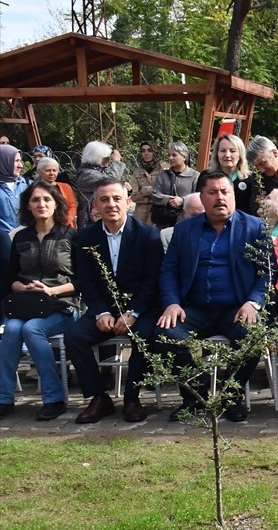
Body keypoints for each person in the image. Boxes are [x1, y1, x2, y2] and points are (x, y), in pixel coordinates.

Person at [157, 171, 271, 422]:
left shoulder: (255, 227)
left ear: (232, 195)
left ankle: (231, 396)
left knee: (252, 336)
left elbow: (268, 274)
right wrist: (172, 303)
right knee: (167, 334)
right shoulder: (185, 229)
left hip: (237, 308)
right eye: (213, 192)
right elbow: (169, 271)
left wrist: (254, 302)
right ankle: (195, 398)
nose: (220, 197)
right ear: (201, 197)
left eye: (225, 192)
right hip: (195, 309)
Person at [64, 179, 162, 423]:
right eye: (104, 199)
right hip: (104, 310)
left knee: (147, 335)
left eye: (117, 198)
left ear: (127, 202)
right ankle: (99, 398)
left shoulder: (148, 235)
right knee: (75, 337)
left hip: (139, 309)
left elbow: (153, 280)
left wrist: (134, 312)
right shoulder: (85, 237)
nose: (111, 204)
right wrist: (99, 313)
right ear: (95, 205)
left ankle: (132, 397)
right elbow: (86, 281)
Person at [0, 182, 78, 421]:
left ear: (56, 204)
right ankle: (4, 398)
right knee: (12, 329)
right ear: (28, 206)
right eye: (35, 200)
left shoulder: (71, 235)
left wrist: (51, 291)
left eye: (46, 199)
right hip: (26, 305)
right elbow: (10, 279)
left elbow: (83, 281)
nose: (41, 204)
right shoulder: (21, 237)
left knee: (32, 329)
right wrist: (23, 287)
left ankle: (54, 398)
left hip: (63, 306)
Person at [150, 141, 199, 229]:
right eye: (169, 155)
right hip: (163, 222)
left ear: (184, 157)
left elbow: (199, 196)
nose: (170, 158)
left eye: (174, 155)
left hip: (185, 222)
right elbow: (154, 193)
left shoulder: (195, 176)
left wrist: (183, 201)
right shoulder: (163, 175)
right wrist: (168, 199)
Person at [208, 134, 260, 215]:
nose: (227, 155)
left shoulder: (252, 179)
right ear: (217, 154)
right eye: (222, 150)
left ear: (240, 154)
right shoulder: (206, 177)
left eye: (232, 151)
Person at [75, 141, 122, 228]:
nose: (109, 160)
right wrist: (116, 162)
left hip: (101, 216)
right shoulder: (86, 174)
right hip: (90, 221)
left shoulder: (101, 170)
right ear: (97, 157)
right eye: (106, 157)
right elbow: (111, 182)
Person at [33, 157, 78, 228]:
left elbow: (73, 205)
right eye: (48, 170)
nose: (52, 173)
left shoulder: (65, 187)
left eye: (54, 170)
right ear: (39, 172)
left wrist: (68, 219)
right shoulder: (35, 189)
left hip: (66, 225)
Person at [131, 142, 165, 223]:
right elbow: (134, 196)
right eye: (143, 151)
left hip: (159, 211)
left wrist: (145, 190)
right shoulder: (137, 171)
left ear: (155, 152)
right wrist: (154, 193)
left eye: (149, 150)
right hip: (141, 213)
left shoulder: (164, 169)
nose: (146, 153)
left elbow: (166, 192)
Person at [0, 145, 31, 232]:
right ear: (3, 162)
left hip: (26, 238)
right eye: (16, 161)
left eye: (20, 161)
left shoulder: (26, 185)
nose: (20, 165)